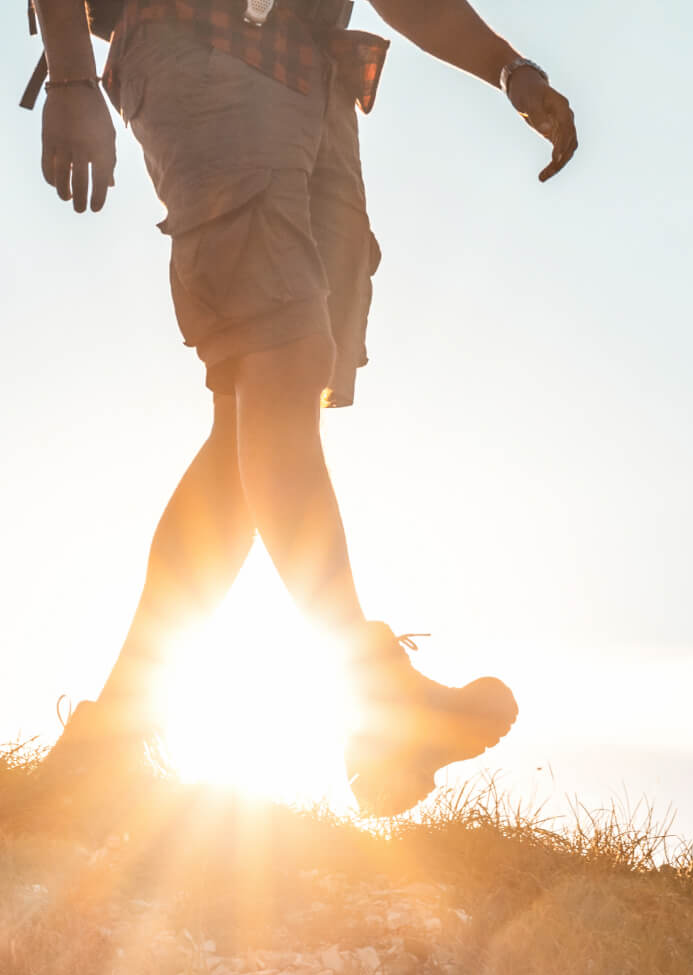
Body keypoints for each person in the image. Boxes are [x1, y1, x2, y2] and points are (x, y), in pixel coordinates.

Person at [29, 0, 577, 815]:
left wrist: (507, 67)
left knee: (255, 423)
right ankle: (378, 702)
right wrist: (71, 71)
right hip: (197, 44)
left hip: (312, 81)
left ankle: (104, 750)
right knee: (277, 367)